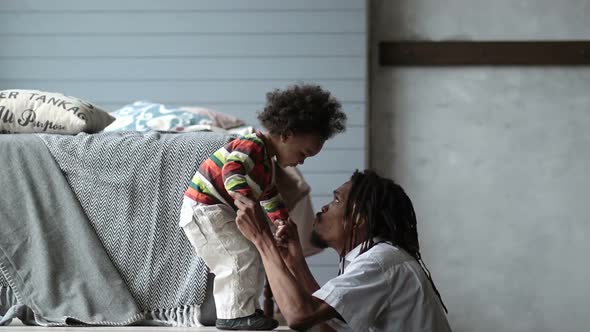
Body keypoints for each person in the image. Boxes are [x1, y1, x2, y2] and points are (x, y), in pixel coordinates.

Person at [179, 83, 347, 330]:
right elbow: (232, 169)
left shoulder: (266, 165)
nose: (301, 160)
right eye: (304, 153)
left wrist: (280, 218)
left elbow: (269, 194)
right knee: (239, 257)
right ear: (286, 135)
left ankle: (244, 309)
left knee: (252, 256)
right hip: (204, 209)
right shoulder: (251, 145)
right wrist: (244, 199)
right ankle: (233, 315)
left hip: (215, 211)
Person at [232, 169, 452, 332]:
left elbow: (299, 316)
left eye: (336, 200)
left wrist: (262, 239)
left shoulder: (379, 262)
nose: (325, 207)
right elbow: (331, 329)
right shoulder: (378, 258)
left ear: (359, 218)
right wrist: (296, 263)